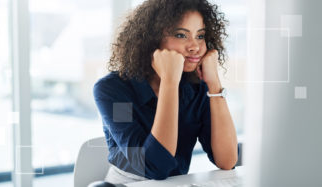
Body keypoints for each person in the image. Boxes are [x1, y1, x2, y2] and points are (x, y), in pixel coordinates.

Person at [93, 0, 238, 184]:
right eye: (181, 35)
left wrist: (214, 84)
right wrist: (170, 82)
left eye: (200, 36)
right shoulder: (113, 90)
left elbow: (227, 161)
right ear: (151, 39)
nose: (195, 46)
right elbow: (155, 167)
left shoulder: (196, 87)